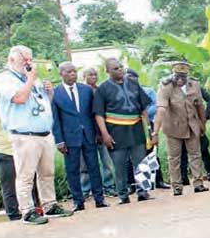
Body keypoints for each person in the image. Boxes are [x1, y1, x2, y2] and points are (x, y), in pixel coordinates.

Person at [0, 45, 72, 224]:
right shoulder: (5, 79)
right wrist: (30, 80)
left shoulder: (33, 79)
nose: (29, 63)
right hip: (24, 135)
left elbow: (42, 105)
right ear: (12, 60)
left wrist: (49, 92)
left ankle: (50, 205)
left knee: (47, 172)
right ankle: (27, 211)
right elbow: (19, 98)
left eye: (30, 59)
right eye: (25, 60)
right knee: (26, 175)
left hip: (44, 133)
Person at [93, 57, 152, 204]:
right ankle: (123, 195)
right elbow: (99, 114)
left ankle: (142, 191)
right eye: (115, 68)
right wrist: (105, 134)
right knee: (119, 166)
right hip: (116, 131)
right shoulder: (102, 89)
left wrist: (149, 127)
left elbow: (143, 107)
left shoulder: (133, 83)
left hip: (136, 128)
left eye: (120, 67)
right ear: (107, 71)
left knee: (141, 162)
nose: (119, 70)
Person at [51, 62, 108, 211]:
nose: (73, 74)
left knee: (94, 167)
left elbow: (92, 113)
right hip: (69, 138)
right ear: (61, 74)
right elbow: (55, 119)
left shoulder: (86, 90)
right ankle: (78, 201)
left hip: (88, 135)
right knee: (72, 170)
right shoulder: (55, 93)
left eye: (74, 71)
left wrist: (98, 133)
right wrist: (59, 140)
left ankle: (99, 199)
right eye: (69, 72)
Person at [153, 62, 208, 195]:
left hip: (192, 125)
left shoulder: (194, 85)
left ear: (187, 76)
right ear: (173, 74)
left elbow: (200, 105)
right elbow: (161, 109)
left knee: (195, 155)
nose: (180, 80)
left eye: (183, 77)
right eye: (177, 76)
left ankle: (198, 183)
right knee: (174, 158)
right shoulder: (165, 86)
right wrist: (155, 131)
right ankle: (177, 186)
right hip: (173, 127)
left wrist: (202, 123)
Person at [126, 68, 169, 190]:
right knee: (130, 156)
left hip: (147, 125)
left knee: (151, 153)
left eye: (131, 77)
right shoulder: (123, 93)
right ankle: (131, 184)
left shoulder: (147, 91)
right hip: (130, 126)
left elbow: (155, 107)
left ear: (136, 78)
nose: (129, 80)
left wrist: (141, 114)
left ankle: (158, 180)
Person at [0, 77, 22, 220]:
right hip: (2, 150)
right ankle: (13, 214)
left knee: (26, 180)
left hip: (19, 146)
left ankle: (30, 210)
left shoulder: (5, 101)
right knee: (9, 184)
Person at [80, 67, 116, 197]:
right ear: (84, 76)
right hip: (87, 133)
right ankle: (85, 189)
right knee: (84, 164)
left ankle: (109, 186)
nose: (93, 77)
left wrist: (103, 132)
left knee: (106, 162)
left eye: (95, 74)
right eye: (90, 74)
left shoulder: (100, 90)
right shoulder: (80, 91)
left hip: (102, 132)